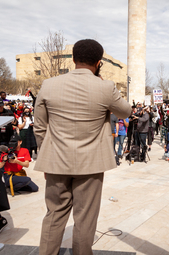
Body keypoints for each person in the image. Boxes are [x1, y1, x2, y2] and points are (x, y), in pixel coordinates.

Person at [34, 39, 131, 255]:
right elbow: (126, 112)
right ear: (99, 62)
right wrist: (104, 84)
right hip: (91, 164)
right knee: (85, 217)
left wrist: (45, 156)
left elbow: (40, 127)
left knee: (54, 213)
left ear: (73, 59)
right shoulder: (105, 87)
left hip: (56, 162)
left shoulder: (49, 85)